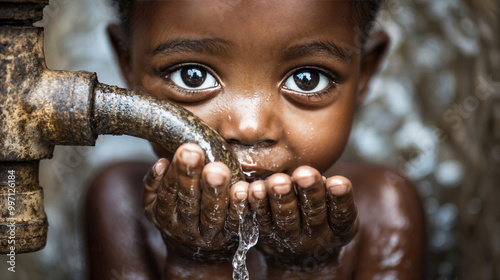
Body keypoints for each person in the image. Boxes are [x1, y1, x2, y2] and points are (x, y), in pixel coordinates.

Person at [84, 0, 426, 279]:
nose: (249, 128)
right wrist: (196, 263)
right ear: (127, 65)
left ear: (365, 72)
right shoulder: (121, 205)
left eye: (307, 79)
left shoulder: (384, 209)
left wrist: (306, 269)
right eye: (192, 76)